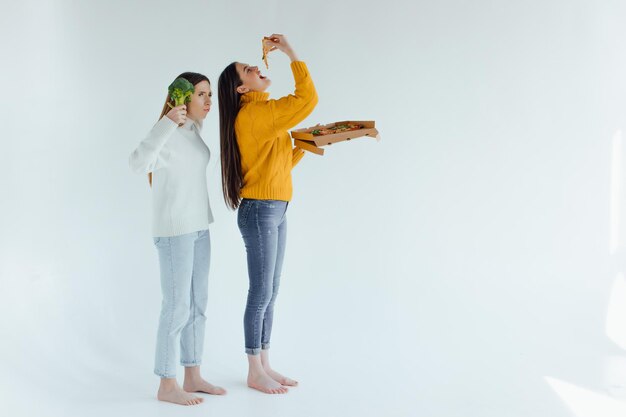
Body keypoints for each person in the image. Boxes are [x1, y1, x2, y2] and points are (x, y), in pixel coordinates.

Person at [218, 34, 318, 394]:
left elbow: (275, 166)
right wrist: (291, 52)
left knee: (271, 291)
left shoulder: (261, 115)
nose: (257, 67)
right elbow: (307, 98)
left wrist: (308, 145)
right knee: (260, 292)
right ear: (241, 89)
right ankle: (252, 369)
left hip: (274, 208)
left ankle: (264, 363)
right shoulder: (257, 114)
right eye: (249, 70)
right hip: (261, 212)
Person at [129, 72, 226, 405]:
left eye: (210, 94)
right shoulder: (168, 131)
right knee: (176, 307)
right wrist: (167, 121)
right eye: (202, 95)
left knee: (199, 304)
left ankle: (193, 374)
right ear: (183, 99)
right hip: (174, 232)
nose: (209, 101)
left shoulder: (193, 131)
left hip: (200, 227)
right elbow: (138, 162)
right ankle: (167, 384)